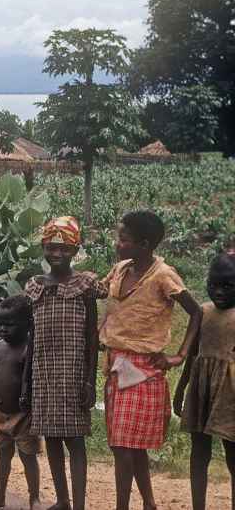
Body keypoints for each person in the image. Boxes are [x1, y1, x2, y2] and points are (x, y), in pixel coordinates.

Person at [99, 210, 203, 510]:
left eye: (124, 239)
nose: (118, 244)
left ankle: (122, 506)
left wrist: (180, 355)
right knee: (130, 446)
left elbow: (195, 312)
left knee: (123, 446)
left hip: (145, 369)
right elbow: (102, 291)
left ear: (145, 244)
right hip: (116, 366)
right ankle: (149, 504)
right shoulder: (120, 269)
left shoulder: (163, 275)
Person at [23, 217, 98, 510]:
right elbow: (31, 337)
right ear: (43, 247)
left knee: (75, 441)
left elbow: (92, 336)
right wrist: (27, 382)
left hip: (74, 375)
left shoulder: (84, 286)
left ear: (75, 250)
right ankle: (63, 500)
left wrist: (90, 381)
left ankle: (78, 504)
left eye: (65, 249)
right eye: (52, 248)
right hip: (44, 374)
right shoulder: (35, 287)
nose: (57, 254)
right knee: (51, 439)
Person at [173, 251, 235, 510]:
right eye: (213, 284)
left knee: (233, 456)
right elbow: (193, 353)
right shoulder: (202, 312)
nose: (218, 291)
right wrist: (181, 388)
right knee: (199, 452)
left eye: (227, 285)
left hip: (230, 394)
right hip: (201, 388)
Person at [0, 295, 41, 510]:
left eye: (9, 324)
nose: (3, 329)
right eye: (0, 324)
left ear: (27, 324)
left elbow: (30, 378)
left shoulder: (30, 348)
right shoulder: (0, 346)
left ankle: (34, 498)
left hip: (22, 415)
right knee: (3, 455)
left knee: (28, 457)